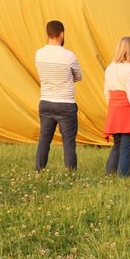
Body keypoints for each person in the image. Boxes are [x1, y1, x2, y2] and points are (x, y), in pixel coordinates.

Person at [35, 20, 82, 171]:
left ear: (47, 33)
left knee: (44, 139)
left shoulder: (39, 54)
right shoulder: (68, 55)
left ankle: (38, 170)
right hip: (65, 103)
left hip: (46, 101)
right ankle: (71, 174)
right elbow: (79, 76)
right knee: (68, 142)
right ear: (61, 34)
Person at [103, 36, 130, 178]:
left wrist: (113, 106)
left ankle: (109, 176)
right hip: (127, 112)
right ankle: (123, 179)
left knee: (117, 147)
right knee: (126, 149)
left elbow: (106, 91)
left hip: (114, 110)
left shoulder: (110, 67)